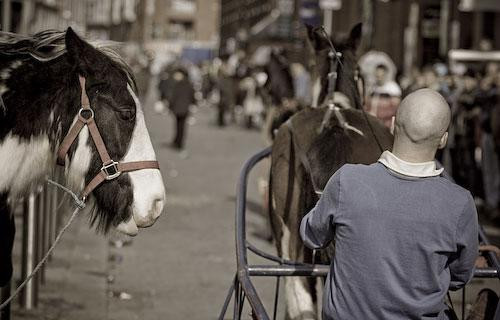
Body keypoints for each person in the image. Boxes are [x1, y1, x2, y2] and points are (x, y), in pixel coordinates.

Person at [300, 89, 479, 319]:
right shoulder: (460, 202)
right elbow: (460, 275)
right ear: (444, 139)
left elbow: (312, 235)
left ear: (393, 124)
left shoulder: (347, 179)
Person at [158, 66, 194, 150]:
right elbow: (192, 96)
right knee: (180, 126)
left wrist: (170, 105)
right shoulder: (188, 84)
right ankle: (177, 142)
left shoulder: (179, 84)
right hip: (183, 108)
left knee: (179, 127)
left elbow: (173, 96)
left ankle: (178, 143)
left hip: (180, 108)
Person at [365, 63, 402, 128]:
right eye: (377, 76)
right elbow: (368, 104)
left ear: (386, 75)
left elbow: (396, 110)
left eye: (381, 75)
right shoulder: (373, 88)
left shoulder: (393, 89)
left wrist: (379, 115)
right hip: (373, 123)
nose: (379, 78)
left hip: (387, 125)